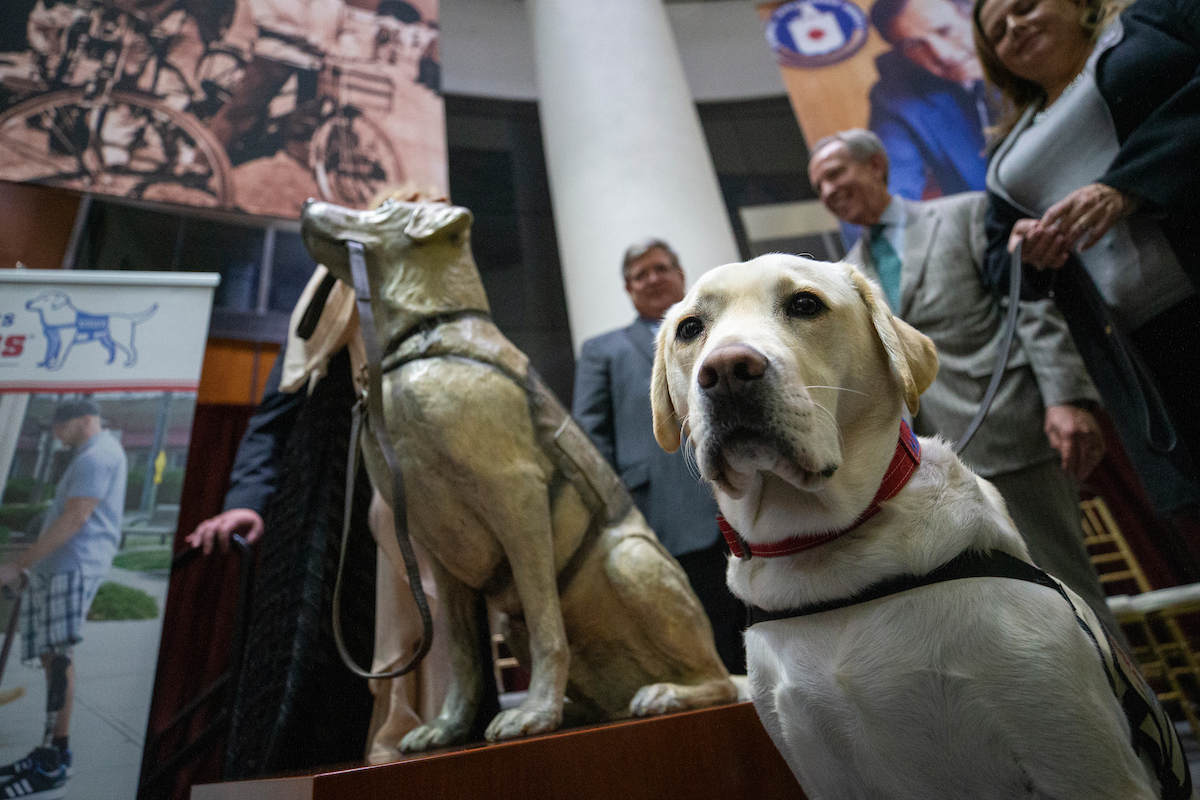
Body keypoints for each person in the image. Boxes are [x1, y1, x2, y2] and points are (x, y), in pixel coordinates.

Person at [808, 129, 1123, 634]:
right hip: (925, 468)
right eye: (818, 185)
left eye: (835, 173)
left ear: (877, 166)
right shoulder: (847, 277)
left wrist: (1065, 397)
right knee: (991, 612)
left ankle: (1122, 710)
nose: (827, 190)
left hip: (1011, 435)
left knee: (1067, 590)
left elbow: (1028, 304)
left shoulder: (965, 214)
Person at [973, 0, 1200, 517]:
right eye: (999, 33)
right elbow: (997, 266)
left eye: (1025, 6)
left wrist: (1127, 186)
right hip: (1144, 351)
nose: (1015, 26)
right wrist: (1024, 255)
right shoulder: (1006, 157)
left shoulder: (1154, 21)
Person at [573, 239, 746, 675]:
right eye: (640, 275)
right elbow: (590, 437)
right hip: (660, 513)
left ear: (681, 274)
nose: (652, 278)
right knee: (697, 642)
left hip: (741, 502)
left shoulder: (727, 332)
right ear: (629, 289)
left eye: (660, 268)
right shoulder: (602, 350)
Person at [0, 397, 127, 799]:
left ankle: (56, 760)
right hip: (60, 568)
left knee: (59, 661)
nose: (56, 434)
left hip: (73, 567)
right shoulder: (92, 452)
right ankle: (47, 750)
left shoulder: (98, 456)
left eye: (61, 427)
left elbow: (75, 519)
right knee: (52, 659)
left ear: (85, 419)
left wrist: (16, 564)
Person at [867, 0, 997, 200]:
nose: (942, 54)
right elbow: (887, 194)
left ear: (974, 15)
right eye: (914, 45)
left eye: (945, 30)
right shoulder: (894, 97)